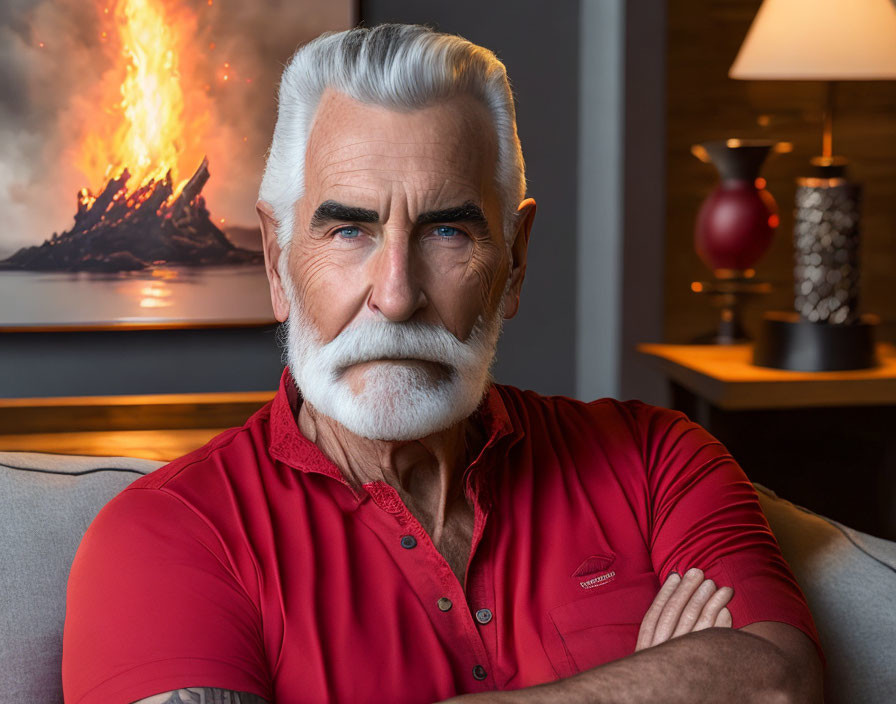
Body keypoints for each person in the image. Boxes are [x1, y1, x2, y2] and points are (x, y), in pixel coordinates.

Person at [62, 23, 824, 704]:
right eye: (350, 231)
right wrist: (650, 684)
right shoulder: (169, 537)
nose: (395, 296)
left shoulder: (658, 462)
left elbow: (773, 683)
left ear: (516, 260)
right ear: (276, 260)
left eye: (447, 233)